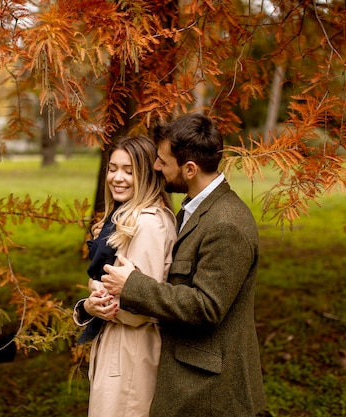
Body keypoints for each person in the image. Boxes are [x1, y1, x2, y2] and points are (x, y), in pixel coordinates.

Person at [102, 113, 266, 417]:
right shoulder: (195, 210)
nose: (155, 167)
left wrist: (133, 286)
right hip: (187, 377)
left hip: (211, 391)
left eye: (163, 162)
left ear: (190, 169)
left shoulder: (226, 223)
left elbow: (207, 307)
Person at [72, 135, 177, 417]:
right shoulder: (122, 218)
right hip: (116, 343)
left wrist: (97, 295)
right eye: (113, 168)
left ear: (146, 174)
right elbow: (112, 290)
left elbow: (140, 308)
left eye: (129, 171)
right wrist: (89, 305)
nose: (118, 178)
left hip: (131, 351)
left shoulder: (148, 223)